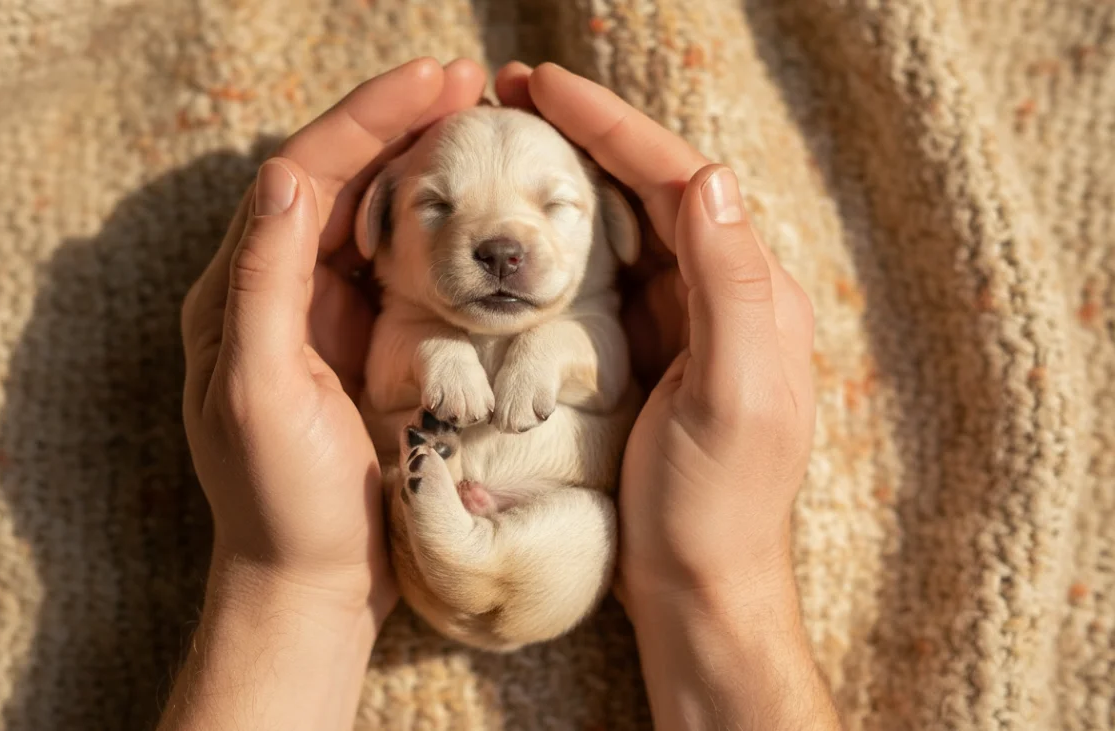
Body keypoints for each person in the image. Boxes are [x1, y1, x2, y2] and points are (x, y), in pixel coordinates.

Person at [163, 57, 841, 731]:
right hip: (413, 559)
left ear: (613, 224)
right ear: (378, 230)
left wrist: (290, 581)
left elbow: (597, 366)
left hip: (556, 549)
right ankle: (443, 532)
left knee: (588, 533)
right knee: (419, 398)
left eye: (555, 206)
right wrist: (434, 356)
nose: (501, 246)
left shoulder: (591, 322)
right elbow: (391, 371)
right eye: (435, 204)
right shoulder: (404, 322)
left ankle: (447, 525)